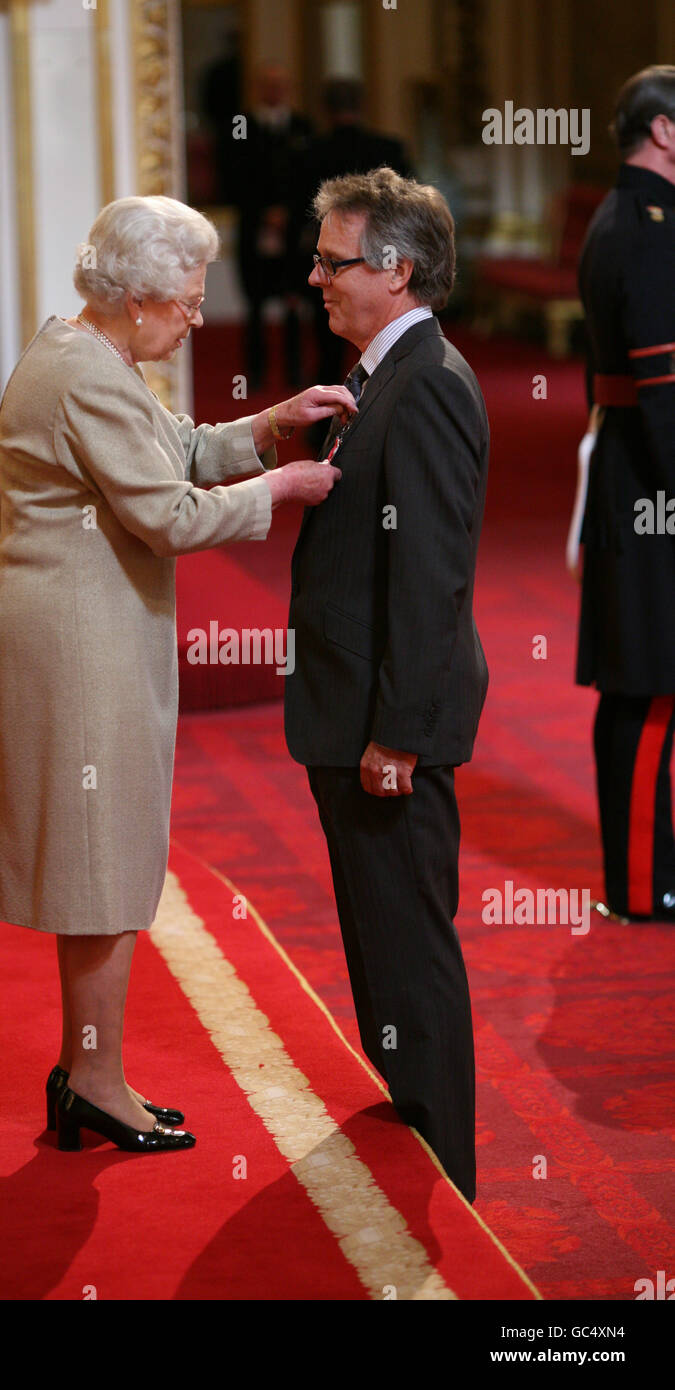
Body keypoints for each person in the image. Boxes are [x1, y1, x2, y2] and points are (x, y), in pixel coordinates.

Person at [0, 195, 347, 1155]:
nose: (194, 317)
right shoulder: (85, 375)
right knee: (99, 860)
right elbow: (171, 516)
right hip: (77, 637)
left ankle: (86, 1072)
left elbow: (171, 449)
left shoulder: (92, 356)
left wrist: (268, 423)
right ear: (134, 296)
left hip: (85, 624)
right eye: (184, 302)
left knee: (101, 853)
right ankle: (94, 1083)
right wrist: (279, 486)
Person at [284, 168, 489, 1203]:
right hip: (351, 715)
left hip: (387, 729)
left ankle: (447, 1173)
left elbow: (431, 580)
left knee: (411, 950)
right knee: (380, 943)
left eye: (334, 260)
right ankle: (410, 1134)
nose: (314, 275)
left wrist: (398, 735)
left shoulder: (431, 384)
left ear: (396, 270)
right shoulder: (377, 374)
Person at [575, 65, 675, 924]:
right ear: (665, 133)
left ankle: (650, 869)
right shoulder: (646, 226)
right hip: (651, 476)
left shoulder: (629, 215)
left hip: (633, 467)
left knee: (651, 679)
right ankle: (642, 884)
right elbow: (660, 382)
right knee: (646, 683)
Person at [299, 78, 415, 401]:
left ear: (327, 110)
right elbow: (410, 213)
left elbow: (299, 214)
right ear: (361, 106)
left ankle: (327, 417)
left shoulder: (311, 152)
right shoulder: (389, 150)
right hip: (377, 264)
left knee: (328, 349)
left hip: (334, 261)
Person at [231, 65, 314, 389]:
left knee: (294, 303)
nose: (274, 92)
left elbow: (311, 179)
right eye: (268, 85)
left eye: (280, 85)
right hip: (255, 230)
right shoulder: (241, 126)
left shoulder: (302, 127)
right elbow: (235, 177)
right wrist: (264, 212)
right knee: (255, 305)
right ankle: (255, 375)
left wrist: (289, 214)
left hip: (293, 236)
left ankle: (295, 372)